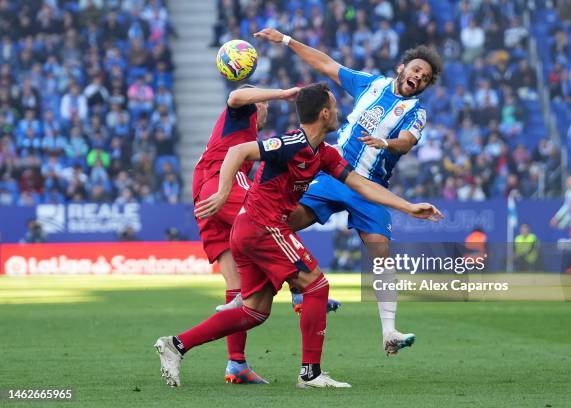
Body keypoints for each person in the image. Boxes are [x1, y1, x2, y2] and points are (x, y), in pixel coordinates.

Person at [155, 83, 443, 388]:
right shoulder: (292, 143)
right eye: (334, 107)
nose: (338, 112)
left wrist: (408, 207)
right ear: (324, 113)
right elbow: (239, 150)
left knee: (254, 311)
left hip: (252, 230)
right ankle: (311, 373)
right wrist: (225, 189)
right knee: (317, 286)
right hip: (262, 226)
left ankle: (176, 345)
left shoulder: (323, 153)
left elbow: (360, 184)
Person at [254, 27, 443, 355]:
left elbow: (408, 143)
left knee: (380, 253)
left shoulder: (417, 113)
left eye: (425, 77)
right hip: (332, 173)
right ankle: (269, 291)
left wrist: (385, 142)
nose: (419, 77)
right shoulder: (372, 84)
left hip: (370, 187)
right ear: (402, 68)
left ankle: (389, 332)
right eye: (416, 70)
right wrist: (286, 40)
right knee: (282, 224)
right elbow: (326, 64)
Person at [187, 84, 299, 384]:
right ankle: (300, 285)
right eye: (265, 104)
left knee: (237, 286)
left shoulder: (245, 133)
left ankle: (236, 363)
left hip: (202, 194)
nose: (267, 110)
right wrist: (281, 93)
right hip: (218, 184)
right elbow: (236, 95)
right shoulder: (242, 112)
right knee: (266, 217)